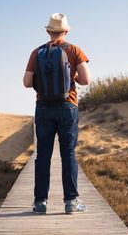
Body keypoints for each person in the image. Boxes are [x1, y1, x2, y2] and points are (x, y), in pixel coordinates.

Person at [23, 13, 91, 214]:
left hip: (43, 107)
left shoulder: (37, 52)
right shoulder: (74, 50)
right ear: (66, 31)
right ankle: (71, 202)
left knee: (43, 155)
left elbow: (26, 82)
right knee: (68, 154)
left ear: (48, 31)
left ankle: (40, 202)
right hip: (67, 107)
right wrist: (74, 76)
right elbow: (86, 80)